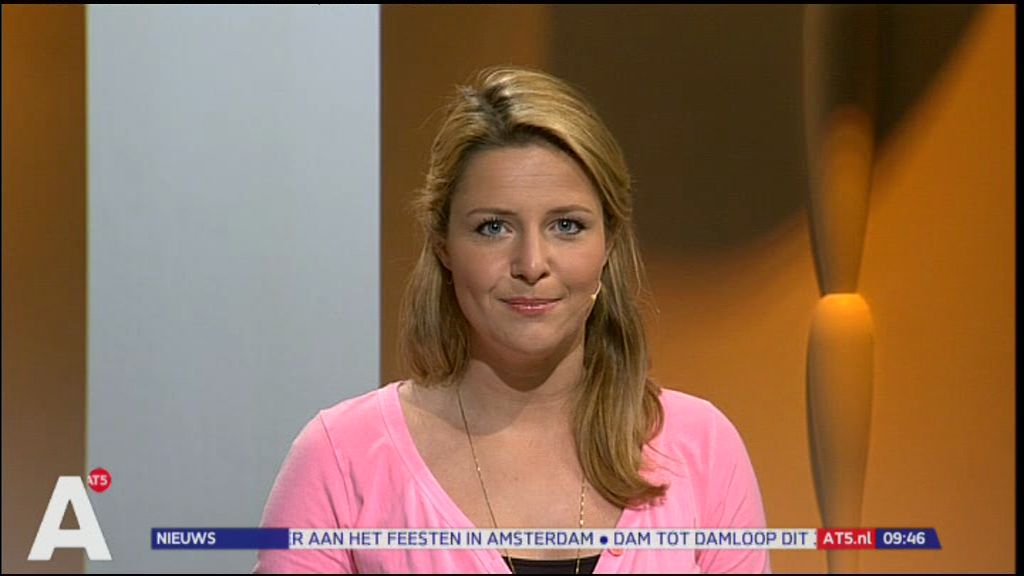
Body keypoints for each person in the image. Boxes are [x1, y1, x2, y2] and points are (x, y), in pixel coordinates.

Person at [254, 66, 770, 574]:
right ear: (444, 244)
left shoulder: (702, 447)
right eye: (494, 227)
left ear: (608, 243)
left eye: (566, 225)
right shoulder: (341, 457)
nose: (531, 264)